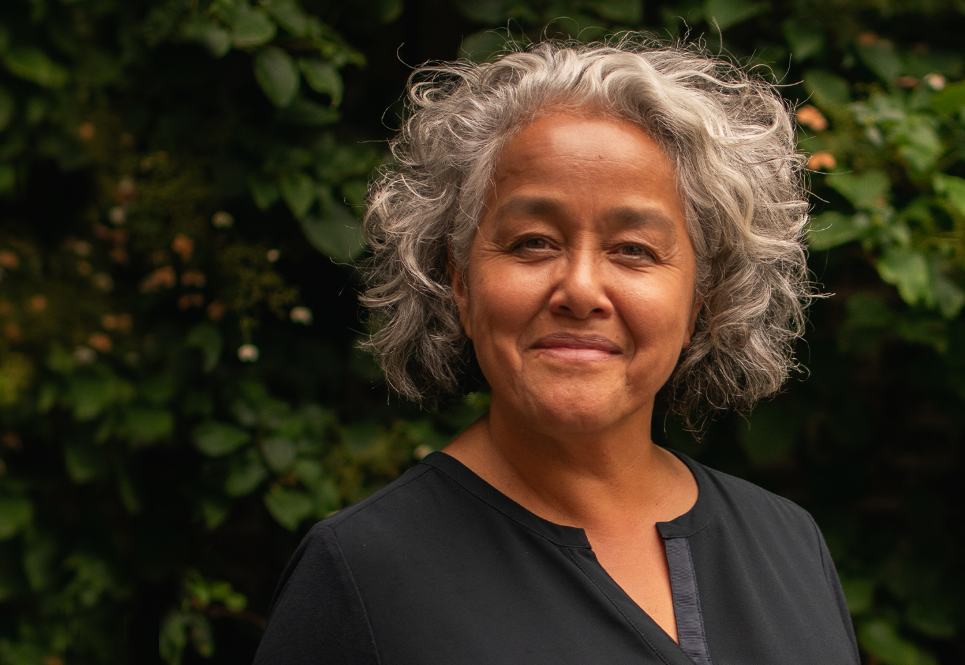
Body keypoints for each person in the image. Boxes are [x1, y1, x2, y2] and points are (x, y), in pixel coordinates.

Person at [254, 38, 859, 665]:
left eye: (634, 250)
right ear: (461, 285)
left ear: (702, 299)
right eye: (533, 243)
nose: (581, 290)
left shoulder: (787, 544)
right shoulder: (362, 574)